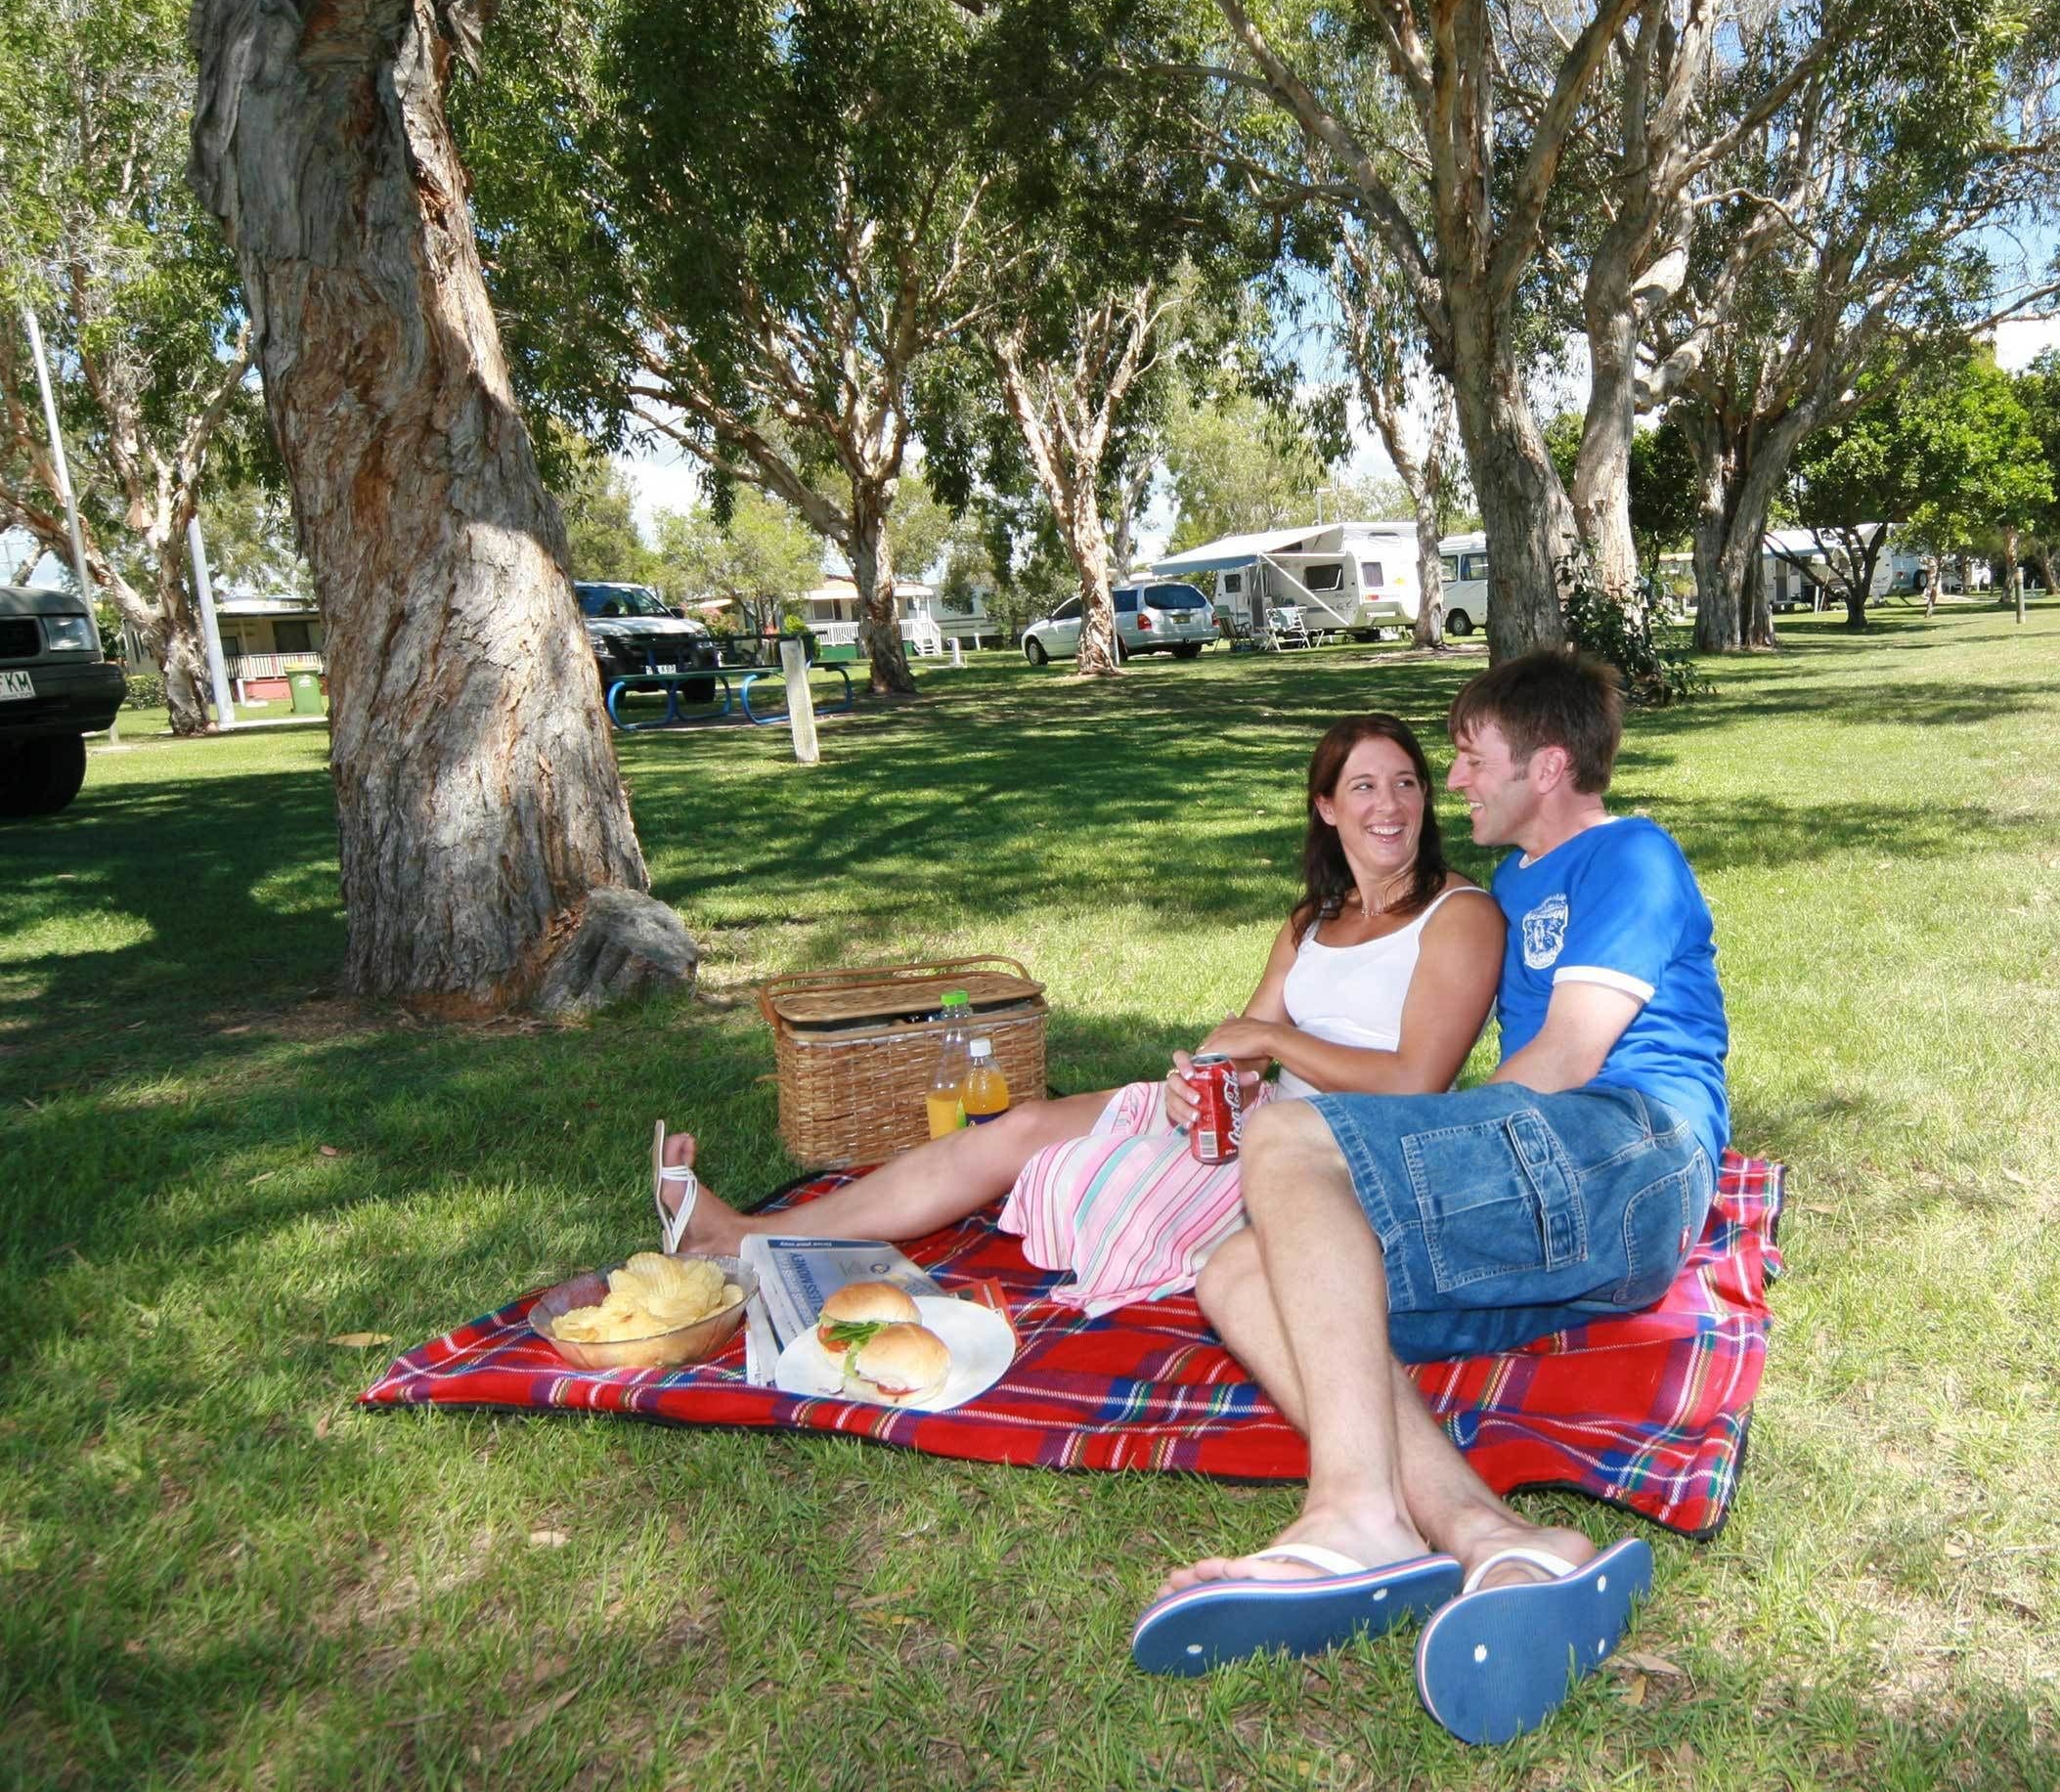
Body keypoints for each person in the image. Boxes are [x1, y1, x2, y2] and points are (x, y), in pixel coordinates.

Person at [1133, 649, 1731, 1748]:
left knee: (1292, 1142)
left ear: (1547, 766)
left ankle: (1354, 1508)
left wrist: (1384, 1142)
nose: (1451, 782)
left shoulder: (1630, 857)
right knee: (1237, 1267)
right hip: (1565, 1196)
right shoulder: (1516, 885)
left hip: (1637, 1153)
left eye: (1467, 758)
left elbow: (1564, 1058)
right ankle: (1486, 1536)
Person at [651, 715, 1504, 1314]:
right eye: (1364, 786)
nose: (1388, 805)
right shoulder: (1311, 920)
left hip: (1350, 1147)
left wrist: (1275, 1045)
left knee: (1104, 1192)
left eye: (1405, 784)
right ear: (1326, 807)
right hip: (1269, 1111)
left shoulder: (1457, 916)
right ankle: (750, 1235)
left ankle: (756, 1239)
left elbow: (1416, 1082)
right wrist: (1202, 1082)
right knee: (1023, 1128)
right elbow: (1240, 1049)